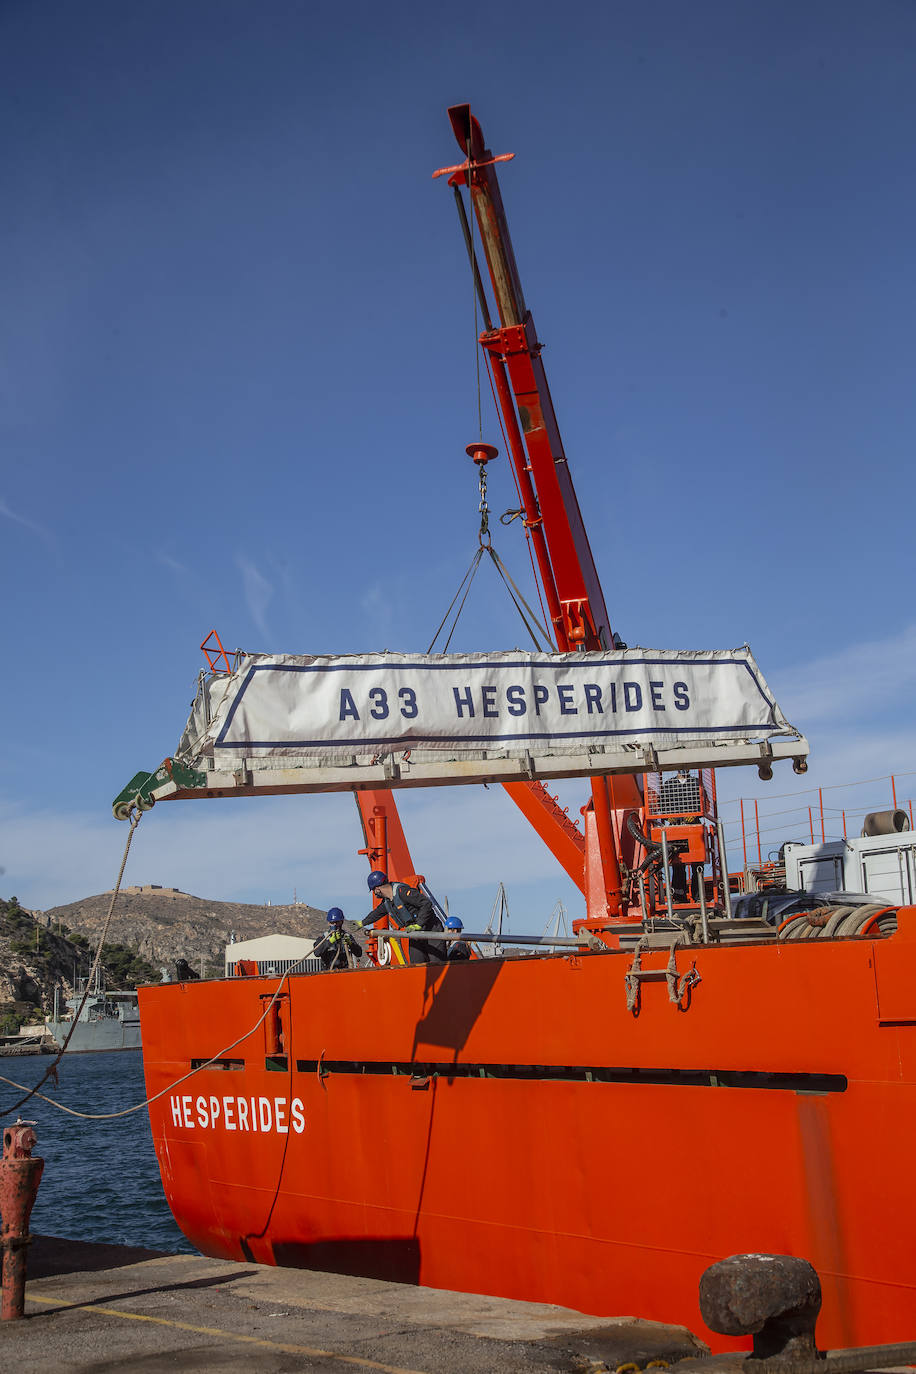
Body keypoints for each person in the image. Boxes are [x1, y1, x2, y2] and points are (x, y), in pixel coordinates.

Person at [358, 871, 447, 965]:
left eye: (373, 891)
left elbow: (426, 903)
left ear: (377, 889)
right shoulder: (387, 902)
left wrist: (419, 924)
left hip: (431, 929)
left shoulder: (403, 892)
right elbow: (377, 913)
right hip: (414, 933)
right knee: (416, 964)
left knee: (437, 964)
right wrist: (362, 923)